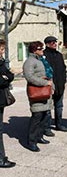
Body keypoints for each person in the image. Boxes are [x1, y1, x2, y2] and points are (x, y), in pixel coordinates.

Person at [23, 41, 53, 152]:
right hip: (37, 93)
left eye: (42, 48)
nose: (42, 50)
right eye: (40, 49)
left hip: (45, 92)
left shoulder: (41, 60)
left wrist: (51, 87)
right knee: (36, 117)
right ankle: (31, 141)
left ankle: (39, 136)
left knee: (44, 117)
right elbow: (29, 77)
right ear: (34, 50)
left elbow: (47, 75)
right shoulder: (30, 62)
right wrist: (45, 84)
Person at [43, 36, 67, 135]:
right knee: (48, 107)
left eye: (55, 42)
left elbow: (63, 69)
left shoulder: (59, 55)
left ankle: (59, 124)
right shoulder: (44, 55)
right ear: (47, 44)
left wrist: (64, 81)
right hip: (48, 86)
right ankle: (47, 127)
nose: (54, 44)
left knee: (59, 106)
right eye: (52, 42)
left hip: (60, 85)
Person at [0, 39, 16, 168]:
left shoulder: (1, 62)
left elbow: (9, 75)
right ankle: (1, 159)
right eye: (1, 49)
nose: (3, 51)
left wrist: (7, 77)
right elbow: (3, 80)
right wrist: (5, 78)